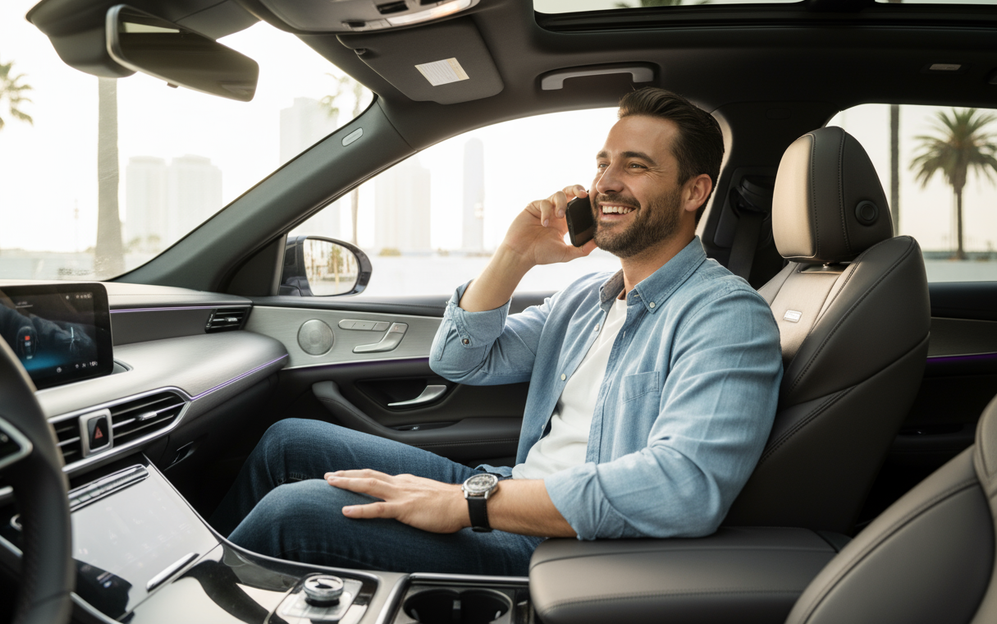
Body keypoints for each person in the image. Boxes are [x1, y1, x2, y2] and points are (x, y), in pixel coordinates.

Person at [210, 88, 783, 576]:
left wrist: (469, 503)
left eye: (635, 166)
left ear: (693, 192)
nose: (604, 183)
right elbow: (462, 362)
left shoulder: (725, 315)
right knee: (288, 440)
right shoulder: (588, 297)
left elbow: (682, 489)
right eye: (602, 163)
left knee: (294, 513)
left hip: (569, 542)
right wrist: (515, 254)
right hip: (510, 486)